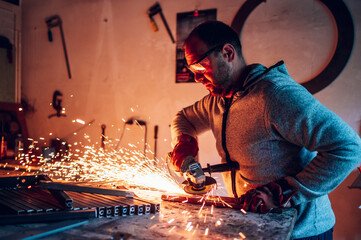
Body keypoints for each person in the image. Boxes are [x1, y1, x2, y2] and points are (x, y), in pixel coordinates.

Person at [169, 21, 361, 240]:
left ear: (228, 52)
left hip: (301, 233)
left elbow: (349, 148)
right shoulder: (218, 100)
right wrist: (184, 146)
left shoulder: (276, 95)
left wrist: (282, 192)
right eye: (192, 71)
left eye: (201, 67)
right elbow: (183, 119)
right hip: (257, 227)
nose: (197, 77)